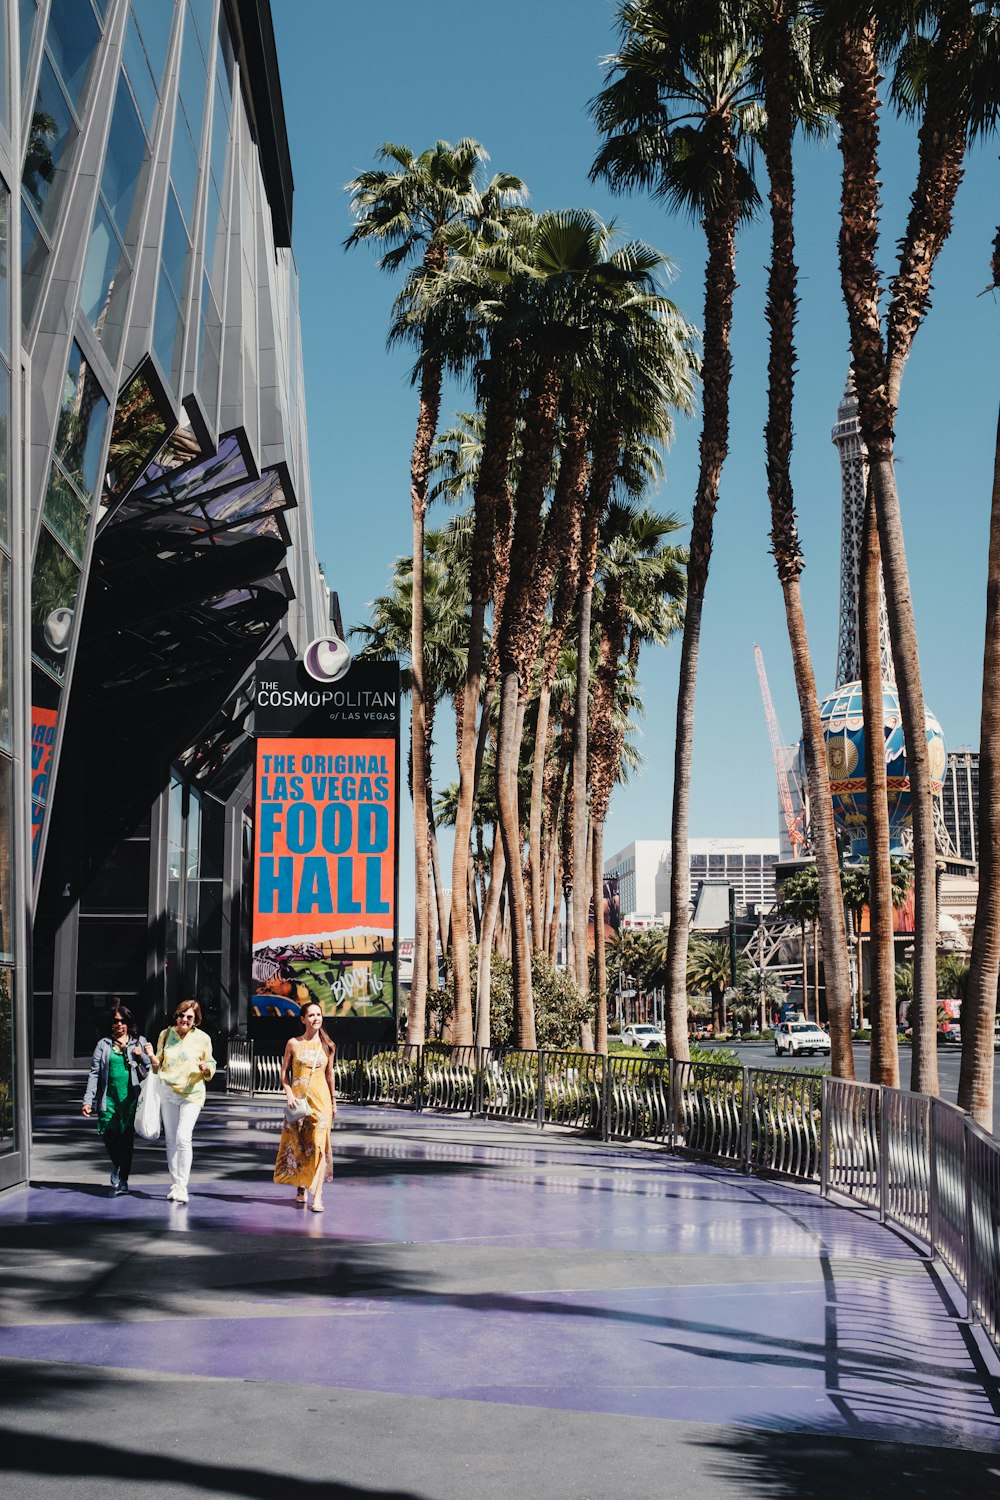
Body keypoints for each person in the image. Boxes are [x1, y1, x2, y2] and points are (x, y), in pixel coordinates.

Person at [144, 1000, 216, 1204]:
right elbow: (158, 1064)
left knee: (183, 1137)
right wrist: (151, 1056)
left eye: (189, 1017)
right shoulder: (165, 1035)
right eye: (181, 1015)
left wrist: (206, 1068)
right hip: (168, 1092)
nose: (184, 1020)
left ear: (196, 1020)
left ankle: (183, 1186)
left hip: (192, 1094)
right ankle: (176, 1184)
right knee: (171, 1140)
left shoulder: (203, 1038)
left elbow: (211, 1062)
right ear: (176, 1015)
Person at [82, 1003, 152, 1196]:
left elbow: (152, 1068)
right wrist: (87, 1100)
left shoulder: (138, 1042)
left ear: (129, 1023)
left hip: (130, 1099)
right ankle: (118, 1165)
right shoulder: (103, 1045)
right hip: (109, 1098)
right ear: (111, 1024)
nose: (119, 1025)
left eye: (123, 1021)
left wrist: (142, 1055)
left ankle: (123, 1179)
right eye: (116, 1021)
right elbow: (94, 1074)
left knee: (126, 1140)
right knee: (109, 1135)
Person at [273, 1000, 336, 1212]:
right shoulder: (293, 1044)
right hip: (299, 1103)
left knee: (319, 1146)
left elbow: (330, 1076)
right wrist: (288, 1093)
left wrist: (334, 1102)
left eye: (318, 1014)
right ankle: (301, 1186)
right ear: (303, 1019)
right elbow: (284, 1074)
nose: (315, 1018)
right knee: (300, 1145)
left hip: (322, 1103)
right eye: (311, 1015)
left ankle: (317, 1197)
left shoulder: (328, 1046)